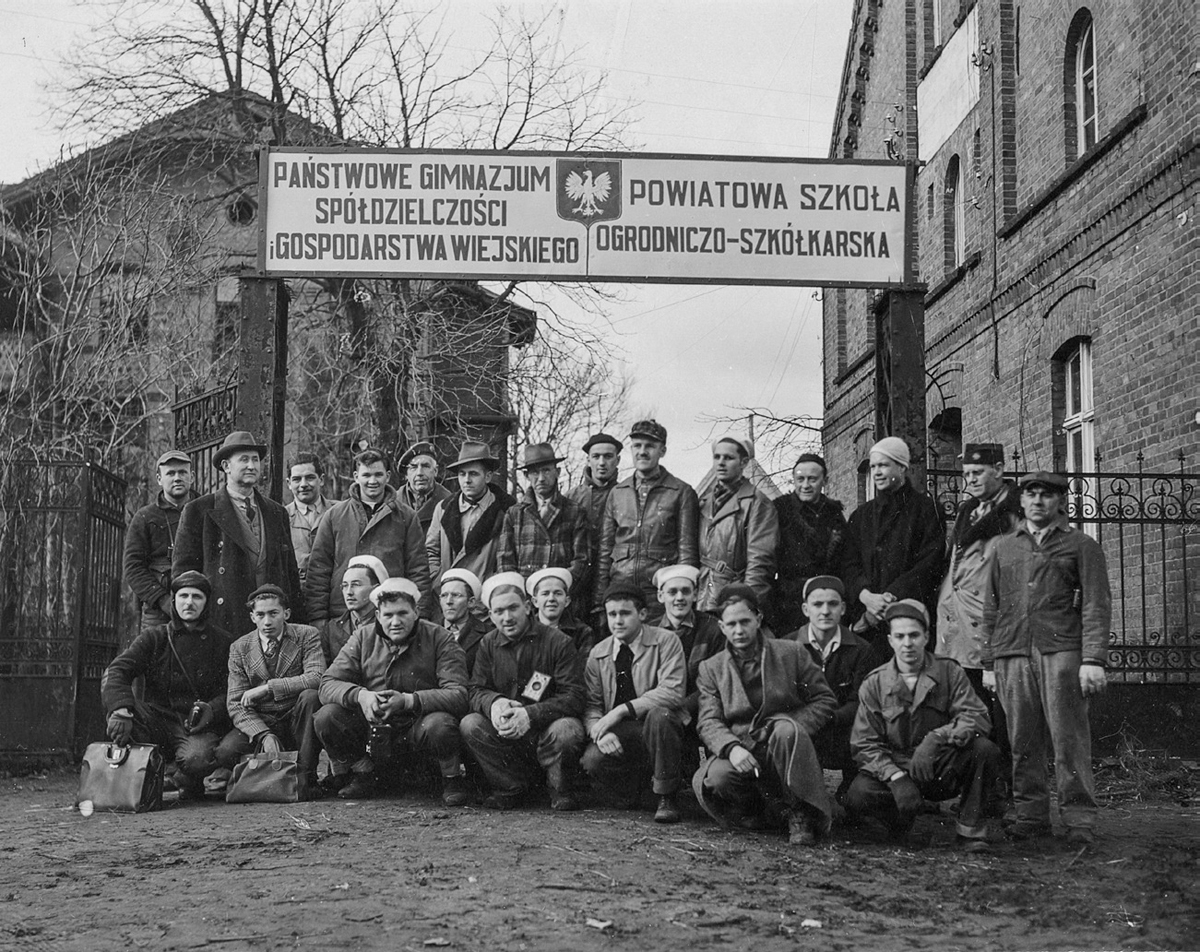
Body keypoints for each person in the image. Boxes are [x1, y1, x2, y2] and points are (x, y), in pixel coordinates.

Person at [981, 471, 1113, 846]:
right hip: (1011, 651)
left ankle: (1079, 818)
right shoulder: (1003, 547)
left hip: (1061, 651)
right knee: (1022, 738)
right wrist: (989, 662)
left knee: (1068, 738)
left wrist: (1093, 659)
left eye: (1046, 495)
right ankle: (1031, 815)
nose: (1038, 501)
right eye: (1031, 494)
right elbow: (990, 607)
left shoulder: (1081, 545)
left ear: (1059, 502)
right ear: (1020, 502)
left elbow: (1095, 604)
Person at [847, 600, 1002, 853]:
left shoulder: (948, 672)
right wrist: (895, 778)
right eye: (900, 636)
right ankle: (899, 821)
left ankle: (970, 830)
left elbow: (976, 715)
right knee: (859, 795)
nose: (907, 643)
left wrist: (937, 738)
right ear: (890, 641)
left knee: (984, 750)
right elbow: (864, 744)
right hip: (897, 766)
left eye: (914, 635)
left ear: (926, 637)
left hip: (939, 766)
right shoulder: (875, 683)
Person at [692, 585, 836, 846]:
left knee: (785, 731)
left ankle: (799, 811)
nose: (739, 630)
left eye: (745, 621)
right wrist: (731, 748)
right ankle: (759, 809)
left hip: (785, 748)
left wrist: (793, 728)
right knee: (718, 777)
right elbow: (708, 720)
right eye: (731, 624)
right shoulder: (711, 668)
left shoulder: (791, 653)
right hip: (744, 747)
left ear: (758, 619)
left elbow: (824, 700)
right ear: (722, 627)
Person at [315, 577, 471, 804]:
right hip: (375, 727)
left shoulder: (440, 638)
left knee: (440, 724)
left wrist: (409, 701)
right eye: (388, 615)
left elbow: (459, 694)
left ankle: (450, 778)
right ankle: (364, 773)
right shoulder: (362, 637)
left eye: (402, 613)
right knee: (327, 716)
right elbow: (327, 684)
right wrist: (362, 696)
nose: (395, 622)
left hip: (419, 727)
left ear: (416, 612)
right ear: (378, 615)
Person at [101, 571, 236, 800]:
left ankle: (183, 777)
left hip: (197, 725)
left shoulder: (223, 642)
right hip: (158, 719)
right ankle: (150, 775)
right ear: (174, 600)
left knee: (197, 759)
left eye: (197, 597)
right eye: (183, 596)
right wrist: (120, 708)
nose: (189, 603)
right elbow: (117, 671)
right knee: (125, 712)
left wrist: (212, 709)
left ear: (207, 603)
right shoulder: (155, 637)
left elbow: (232, 690)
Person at [460, 572, 586, 811]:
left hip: (544, 730)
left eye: (513, 608)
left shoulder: (558, 642)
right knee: (470, 723)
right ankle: (511, 788)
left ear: (528, 607)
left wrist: (530, 715)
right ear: (490, 615)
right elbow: (476, 688)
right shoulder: (488, 643)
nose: (507, 617)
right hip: (506, 732)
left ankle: (557, 788)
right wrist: (494, 703)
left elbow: (574, 695)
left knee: (567, 729)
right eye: (498, 611)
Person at [936, 442, 1021, 766]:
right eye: (966, 473)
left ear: (999, 470)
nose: (968, 480)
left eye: (976, 473)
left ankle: (1003, 788)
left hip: (989, 624)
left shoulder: (1016, 514)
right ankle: (981, 788)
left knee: (998, 714)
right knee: (967, 710)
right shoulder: (968, 511)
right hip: (957, 624)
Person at [173, 430, 303, 636]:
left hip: (270, 622)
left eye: (255, 460)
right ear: (226, 466)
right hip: (222, 622)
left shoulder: (277, 512)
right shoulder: (199, 510)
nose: (252, 466)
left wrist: (297, 621)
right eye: (244, 460)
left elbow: (290, 573)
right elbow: (184, 575)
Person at [582, 582, 687, 823]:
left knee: (660, 716)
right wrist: (599, 733)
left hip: (656, 726)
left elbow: (672, 691)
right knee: (592, 759)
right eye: (612, 614)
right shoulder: (599, 653)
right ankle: (634, 793)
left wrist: (621, 710)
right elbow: (592, 705)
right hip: (621, 731)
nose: (618, 621)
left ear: (642, 614)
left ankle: (666, 797)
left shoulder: (666, 641)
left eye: (625, 613)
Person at [217, 585, 325, 796]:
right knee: (225, 752)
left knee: (311, 697)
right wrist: (263, 735)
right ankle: (261, 781)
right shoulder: (240, 647)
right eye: (261, 614)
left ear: (286, 613)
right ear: (252, 617)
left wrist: (268, 688)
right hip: (262, 719)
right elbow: (236, 702)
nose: (267, 622)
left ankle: (304, 778)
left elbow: (317, 677)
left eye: (273, 613)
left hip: (296, 719)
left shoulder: (306, 635)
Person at [304, 447, 431, 626]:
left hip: (391, 615)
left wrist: (421, 615)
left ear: (387, 476)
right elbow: (318, 571)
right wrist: (318, 618)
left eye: (378, 475)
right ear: (356, 477)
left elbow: (418, 570)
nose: (372, 481)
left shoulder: (406, 517)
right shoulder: (334, 516)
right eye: (366, 475)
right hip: (343, 616)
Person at [782, 575, 881, 801]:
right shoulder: (788, 646)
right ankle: (801, 807)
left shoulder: (861, 650)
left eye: (833, 604)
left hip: (842, 728)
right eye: (817, 604)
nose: (825, 611)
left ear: (843, 608)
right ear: (806, 609)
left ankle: (848, 797)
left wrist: (830, 717)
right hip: (804, 727)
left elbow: (861, 701)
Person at [840, 436, 945, 640]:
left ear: (902, 467)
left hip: (909, 620)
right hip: (866, 621)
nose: (877, 472)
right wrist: (866, 596)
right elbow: (848, 564)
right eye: (873, 466)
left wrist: (890, 597)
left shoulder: (926, 510)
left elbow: (930, 563)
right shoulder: (861, 516)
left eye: (884, 465)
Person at [596, 420, 699, 622]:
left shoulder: (680, 492)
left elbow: (687, 551)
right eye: (637, 445)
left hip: (659, 597)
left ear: (663, 451)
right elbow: (604, 553)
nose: (642, 452)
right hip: (622, 592)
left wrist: (679, 598)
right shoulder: (618, 493)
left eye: (650, 446)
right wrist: (599, 602)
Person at [496, 443, 589, 601]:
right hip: (526, 599)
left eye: (546, 470)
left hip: (560, 600)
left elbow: (581, 560)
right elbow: (505, 561)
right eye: (534, 472)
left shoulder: (574, 511)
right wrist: (521, 594)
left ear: (557, 472)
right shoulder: (515, 514)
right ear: (526, 476)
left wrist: (560, 591)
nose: (541, 478)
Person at [697, 436, 779, 611]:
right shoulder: (703, 502)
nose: (720, 463)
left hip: (732, 597)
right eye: (717, 457)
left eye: (728, 458)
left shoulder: (757, 503)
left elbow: (759, 563)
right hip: (700, 594)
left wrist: (746, 606)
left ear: (743, 463)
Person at [123, 449, 199, 633]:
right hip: (158, 610)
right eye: (170, 473)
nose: (177, 478)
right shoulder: (144, 517)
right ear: (159, 479)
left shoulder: (206, 510)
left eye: (182, 472)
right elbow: (133, 567)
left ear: (192, 476)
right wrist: (162, 600)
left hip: (200, 603)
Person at [771, 452, 847, 632]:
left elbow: (844, 559)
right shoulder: (779, 510)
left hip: (826, 603)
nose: (805, 485)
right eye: (800, 479)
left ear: (824, 481)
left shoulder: (834, 512)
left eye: (812, 479)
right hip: (789, 604)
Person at [426, 441, 515, 593]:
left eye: (473, 474)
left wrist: (491, 588)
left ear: (487, 477)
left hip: (485, 599)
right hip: (449, 595)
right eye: (462, 474)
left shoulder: (506, 510)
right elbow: (430, 551)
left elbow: (508, 558)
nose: (466, 480)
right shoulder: (443, 508)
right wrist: (439, 579)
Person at [653, 564, 724, 727]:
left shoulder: (712, 629)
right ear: (660, 596)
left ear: (695, 595)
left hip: (702, 713)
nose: (679, 598)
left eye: (685, 591)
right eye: (672, 592)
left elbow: (718, 681)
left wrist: (683, 709)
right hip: (661, 716)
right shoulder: (651, 632)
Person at [568, 432, 623, 616]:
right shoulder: (572, 498)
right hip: (579, 583)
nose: (601, 462)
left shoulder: (626, 496)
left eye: (608, 456)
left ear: (618, 460)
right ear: (588, 460)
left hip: (613, 579)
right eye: (596, 456)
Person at [323, 554, 389, 665]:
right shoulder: (332, 628)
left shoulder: (389, 625)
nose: (348, 592)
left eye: (356, 585)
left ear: (376, 589)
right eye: (344, 585)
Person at [285, 453, 334, 585]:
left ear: (321, 480)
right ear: (289, 483)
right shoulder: (280, 516)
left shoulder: (338, 512)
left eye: (310, 478)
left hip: (332, 588)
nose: (303, 484)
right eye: (296, 479)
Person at [527, 567, 594, 658]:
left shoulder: (582, 633)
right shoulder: (525, 630)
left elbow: (581, 668)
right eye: (545, 593)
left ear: (567, 601)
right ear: (535, 602)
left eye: (558, 593)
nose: (551, 599)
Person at [396, 441, 452, 535]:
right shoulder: (393, 502)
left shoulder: (449, 502)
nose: (419, 473)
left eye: (426, 466)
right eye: (413, 467)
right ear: (406, 474)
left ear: (435, 471)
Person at [437, 568, 486, 674]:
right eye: (444, 595)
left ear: (471, 602)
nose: (448, 601)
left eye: (456, 595)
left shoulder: (487, 636)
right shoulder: (427, 631)